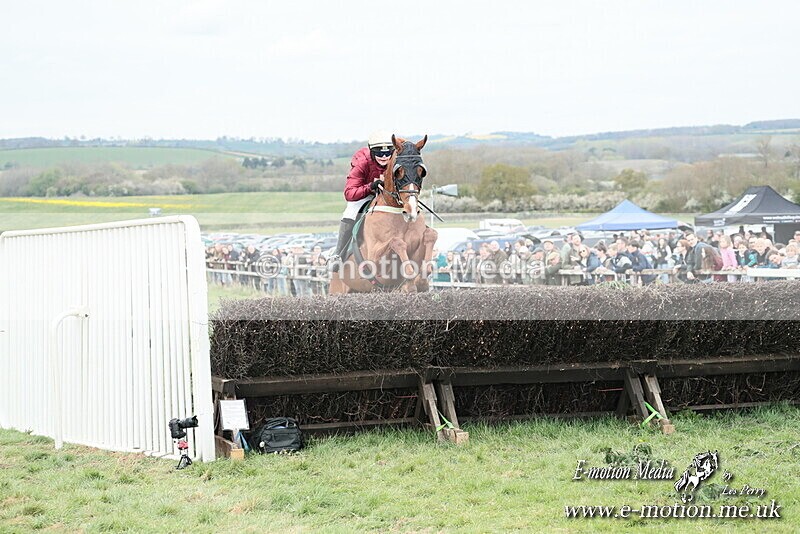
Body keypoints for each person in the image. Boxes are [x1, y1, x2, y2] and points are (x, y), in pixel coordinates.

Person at [329, 130, 395, 270]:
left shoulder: (396, 160)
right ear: (371, 152)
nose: (384, 156)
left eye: (387, 152)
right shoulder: (362, 163)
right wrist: (371, 186)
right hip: (364, 194)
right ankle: (338, 254)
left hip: (388, 196)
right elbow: (349, 193)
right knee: (351, 212)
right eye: (379, 153)